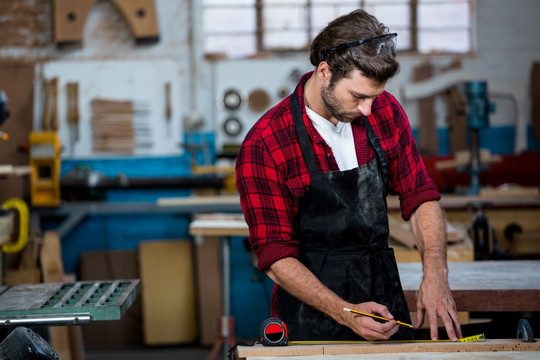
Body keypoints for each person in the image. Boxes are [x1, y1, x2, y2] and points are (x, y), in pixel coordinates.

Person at [235, 9, 462, 342]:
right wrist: (346, 314)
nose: (368, 109)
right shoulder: (266, 143)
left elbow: (419, 195)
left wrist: (436, 272)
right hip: (310, 321)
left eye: (375, 96)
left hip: (385, 309)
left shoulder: (385, 112)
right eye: (358, 96)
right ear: (325, 72)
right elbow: (275, 254)